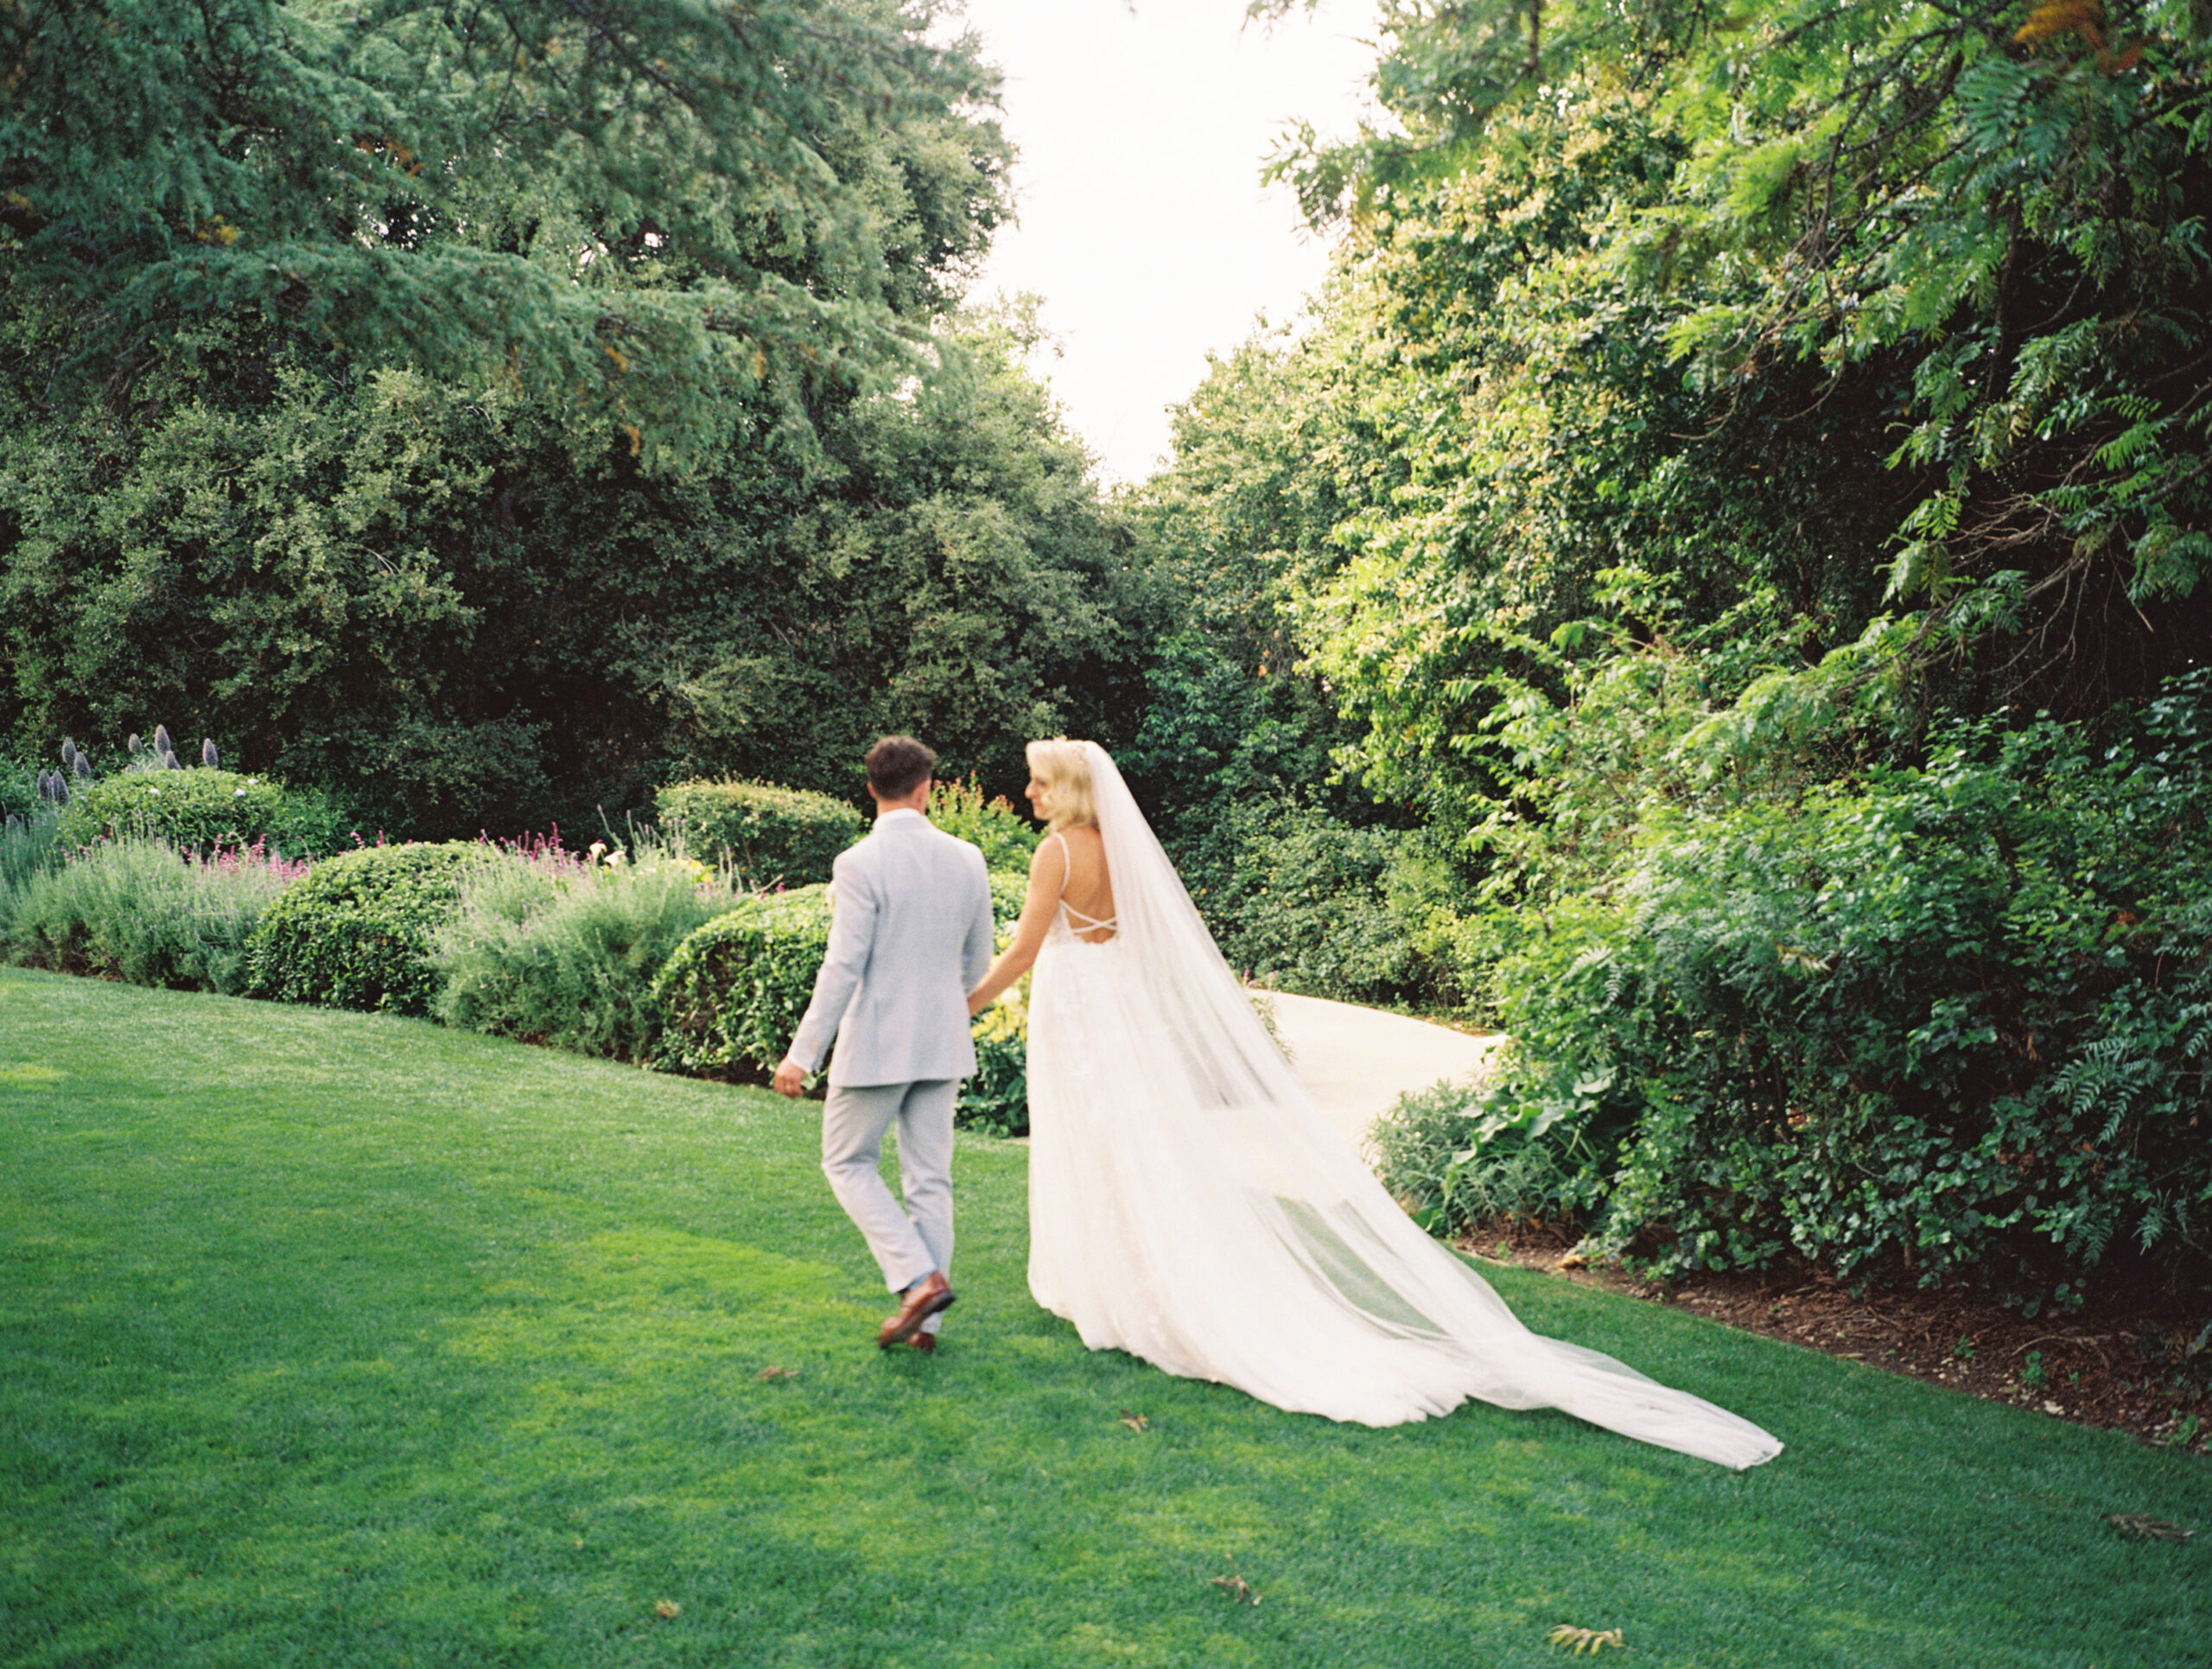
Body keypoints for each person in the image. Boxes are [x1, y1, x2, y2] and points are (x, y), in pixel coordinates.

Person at [965, 738, 1783, 1468]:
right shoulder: (1119, 849)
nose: (1030, 794)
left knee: (1100, 1150)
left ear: (1064, 789)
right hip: (1118, 1019)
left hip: (1079, 1020)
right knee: (1142, 1151)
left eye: (1038, 784)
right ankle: (1133, 1281)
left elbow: (1027, 950)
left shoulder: (1057, 854)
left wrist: (962, 1002)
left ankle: (1128, 1291)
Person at [774, 736, 995, 1353]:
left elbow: (842, 966)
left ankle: (918, 1280)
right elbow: (978, 961)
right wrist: (943, 1010)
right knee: (931, 1180)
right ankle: (927, 1325)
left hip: (876, 1043)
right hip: (943, 1041)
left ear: (870, 788)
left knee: (846, 1161)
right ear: (926, 789)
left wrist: (801, 1054)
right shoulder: (969, 858)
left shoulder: (857, 863)